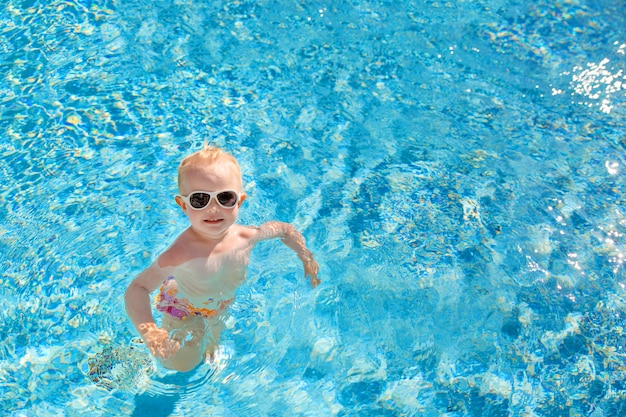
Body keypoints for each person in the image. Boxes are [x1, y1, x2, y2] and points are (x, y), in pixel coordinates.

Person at [124, 146, 320, 372]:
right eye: (200, 200)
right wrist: (151, 333)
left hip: (220, 305)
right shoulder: (181, 253)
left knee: (213, 341)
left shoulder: (247, 236)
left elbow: (285, 230)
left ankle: (212, 343)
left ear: (239, 201)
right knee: (181, 364)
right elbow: (137, 288)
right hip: (183, 307)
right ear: (183, 205)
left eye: (225, 197)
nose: (213, 208)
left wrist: (306, 258)